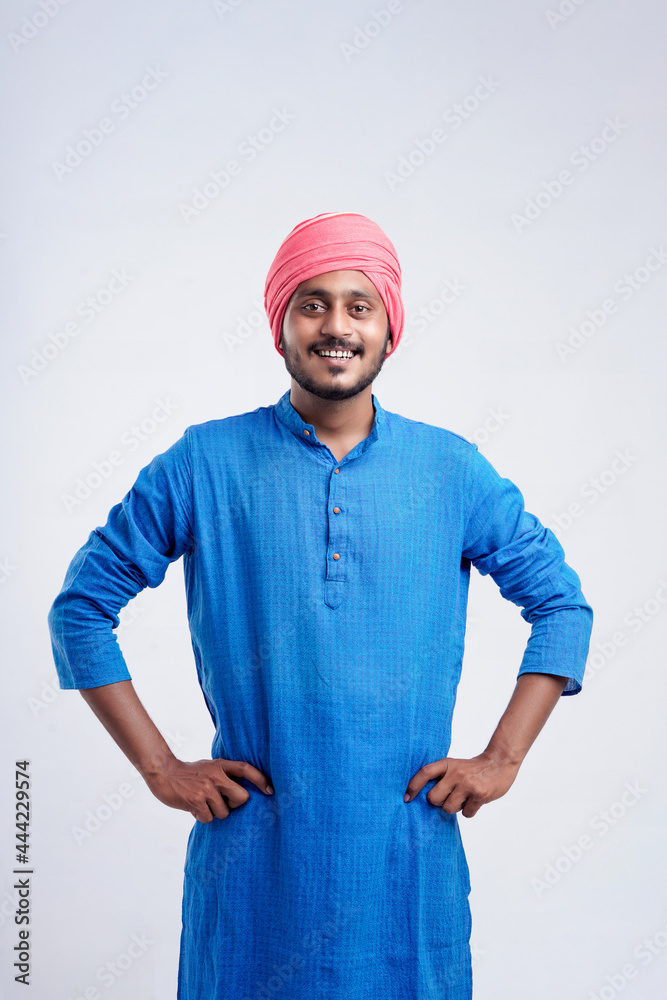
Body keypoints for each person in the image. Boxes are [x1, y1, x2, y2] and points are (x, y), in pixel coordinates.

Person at [48, 211, 593, 1000]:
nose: (335, 325)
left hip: (405, 874)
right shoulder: (204, 462)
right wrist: (160, 767)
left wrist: (501, 758)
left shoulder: (449, 470)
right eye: (311, 303)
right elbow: (81, 608)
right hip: (252, 873)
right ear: (280, 325)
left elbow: (561, 605)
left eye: (358, 305)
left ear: (388, 330)